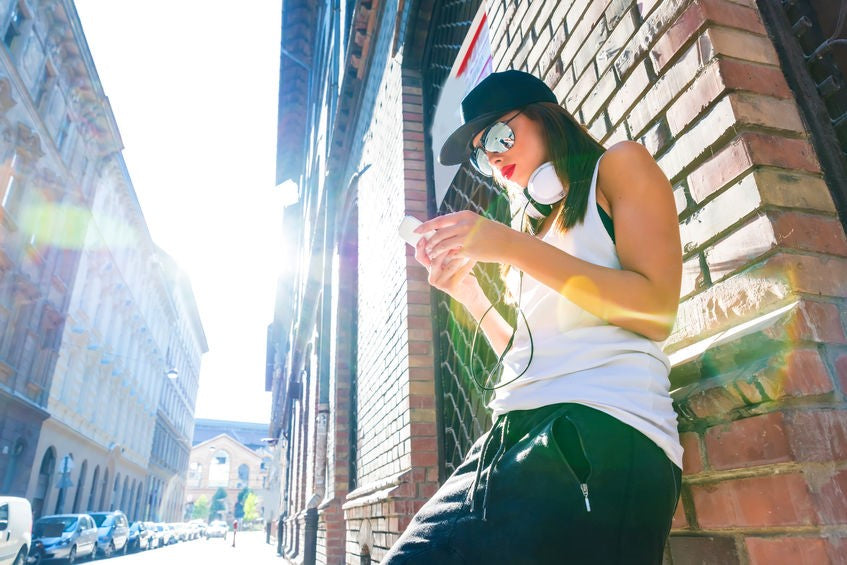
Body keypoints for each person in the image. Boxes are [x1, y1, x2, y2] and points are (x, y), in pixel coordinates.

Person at [382, 70, 683, 564]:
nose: (493, 157)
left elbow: (654, 312)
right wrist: (469, 293)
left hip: (599, 428)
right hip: (506, 438)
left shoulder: (618, 166)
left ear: (547, 116)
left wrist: (512, 248)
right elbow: (524, 354)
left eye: (499, 136)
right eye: (481, 153)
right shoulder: (528, 230)